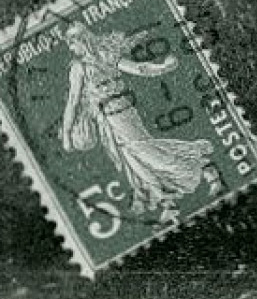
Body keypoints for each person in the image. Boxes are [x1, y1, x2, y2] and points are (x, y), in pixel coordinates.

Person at [60, 21, 214, 219]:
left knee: (146, 153)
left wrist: (66, 133)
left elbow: (73, 102)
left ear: (82, 41)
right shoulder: (101, 58)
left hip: (117, 117)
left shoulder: (82, 67)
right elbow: (140, 69)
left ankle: (196, 163)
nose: (72, 50)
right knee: (134, 161)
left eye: (72, 44)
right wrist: (163, 67)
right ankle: (166, 203)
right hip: (118, 115)